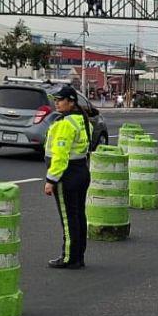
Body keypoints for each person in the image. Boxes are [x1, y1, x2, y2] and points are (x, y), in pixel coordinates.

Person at [44, 86, 92, 270]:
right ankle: (78, 256)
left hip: (68, 175)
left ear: (71, 102)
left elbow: (60, 156)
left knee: (68, 218)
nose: (56, 102)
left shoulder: (65, 124)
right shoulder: (81, 120)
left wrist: (51, 180)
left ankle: (69, 257)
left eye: (60, 99)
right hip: (81, 170)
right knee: (78, 215)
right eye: (55, 99)